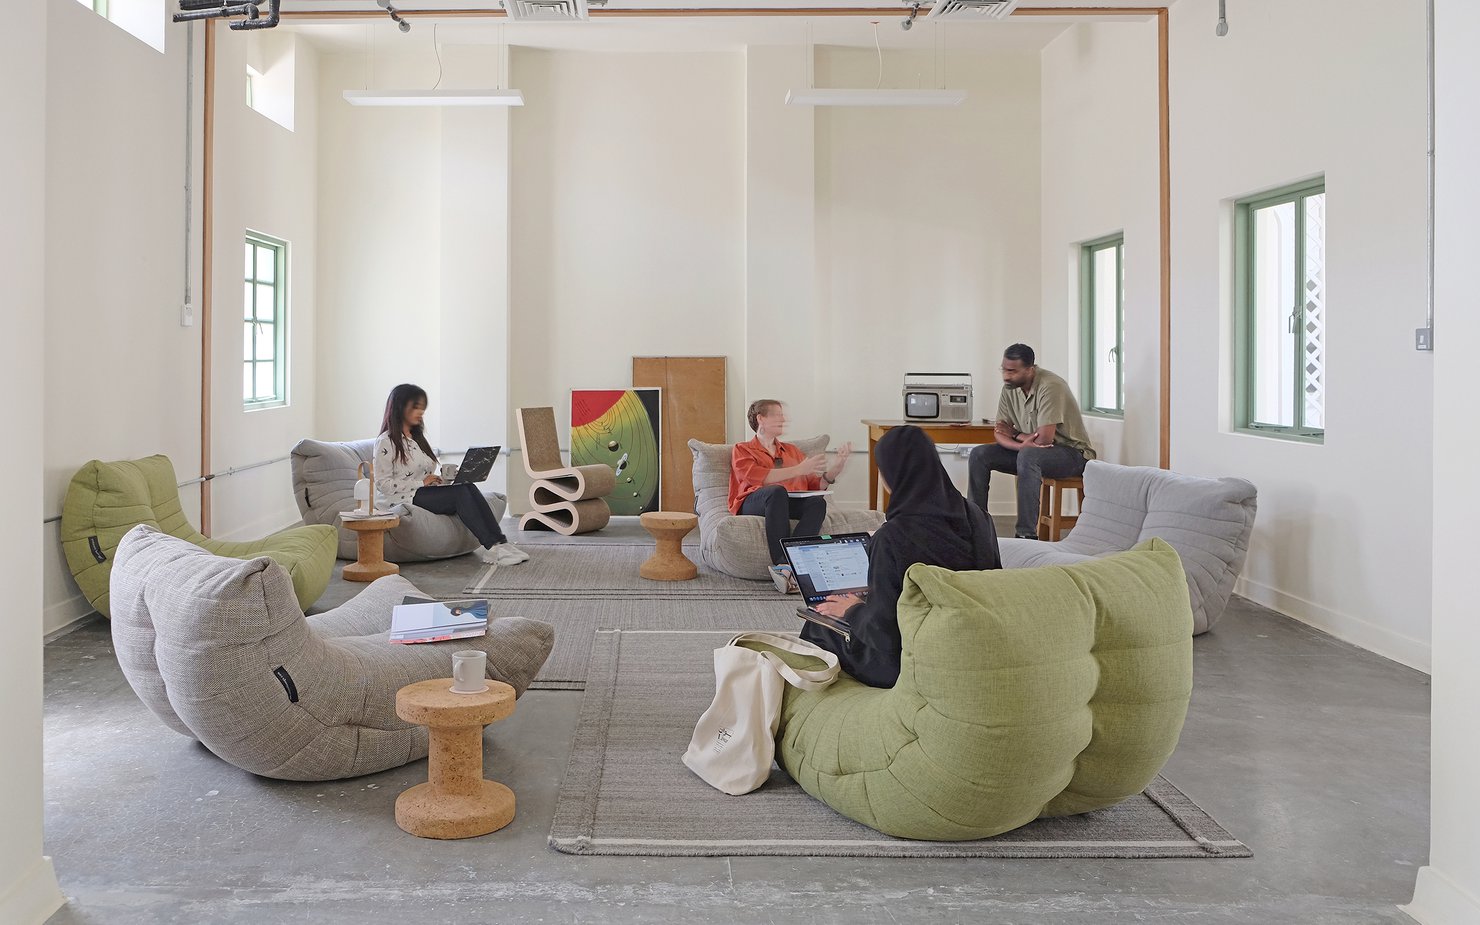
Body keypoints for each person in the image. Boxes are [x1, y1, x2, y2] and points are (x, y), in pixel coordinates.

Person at [802, 425, 1001, 689]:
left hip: (911, 664)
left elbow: (885, 634)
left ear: (891, 475)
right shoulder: (979, 517)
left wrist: (850, 610)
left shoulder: (891, 537)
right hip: (971, 647)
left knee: (819, 624)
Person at [374, 383, 529, 567]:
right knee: (462, 493)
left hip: (421, 493)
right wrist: (421, 483)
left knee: (467, 487)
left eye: (422, 407)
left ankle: (500, 543)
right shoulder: (386, 441)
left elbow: (423, 475)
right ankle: (493, 548)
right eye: (415, 406)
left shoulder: (416, 439)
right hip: (402, 499)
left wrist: (442, 480)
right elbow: (382, 484)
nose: (421, 411)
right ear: (400, 407)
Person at [968, 344, 1097, 539]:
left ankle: (1026, 535)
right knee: (979, 454)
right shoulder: (1009, 389)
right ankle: (975, 529)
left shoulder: (1051, 386)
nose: (1006, 376)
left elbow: (1045, 439)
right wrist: (1021, 444)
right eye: (1003, 369)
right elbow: (1000, 432)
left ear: (1030, 369)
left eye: (1012, 371)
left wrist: (1016, 434)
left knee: (1029, 456)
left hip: (1072, 455)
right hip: (1032, 453)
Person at [729, 399, 851, 590]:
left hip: (785, 501)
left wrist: (835, 469)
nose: (783, 418)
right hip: (753, 501)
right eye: (777, 415)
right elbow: (758, 478)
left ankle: (790, 564)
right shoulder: (742, 449)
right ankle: (782, 562)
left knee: (817, 502)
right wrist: (799, 469)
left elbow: (814, 485)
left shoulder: (792, 451)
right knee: (777, 492)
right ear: (760, 418)